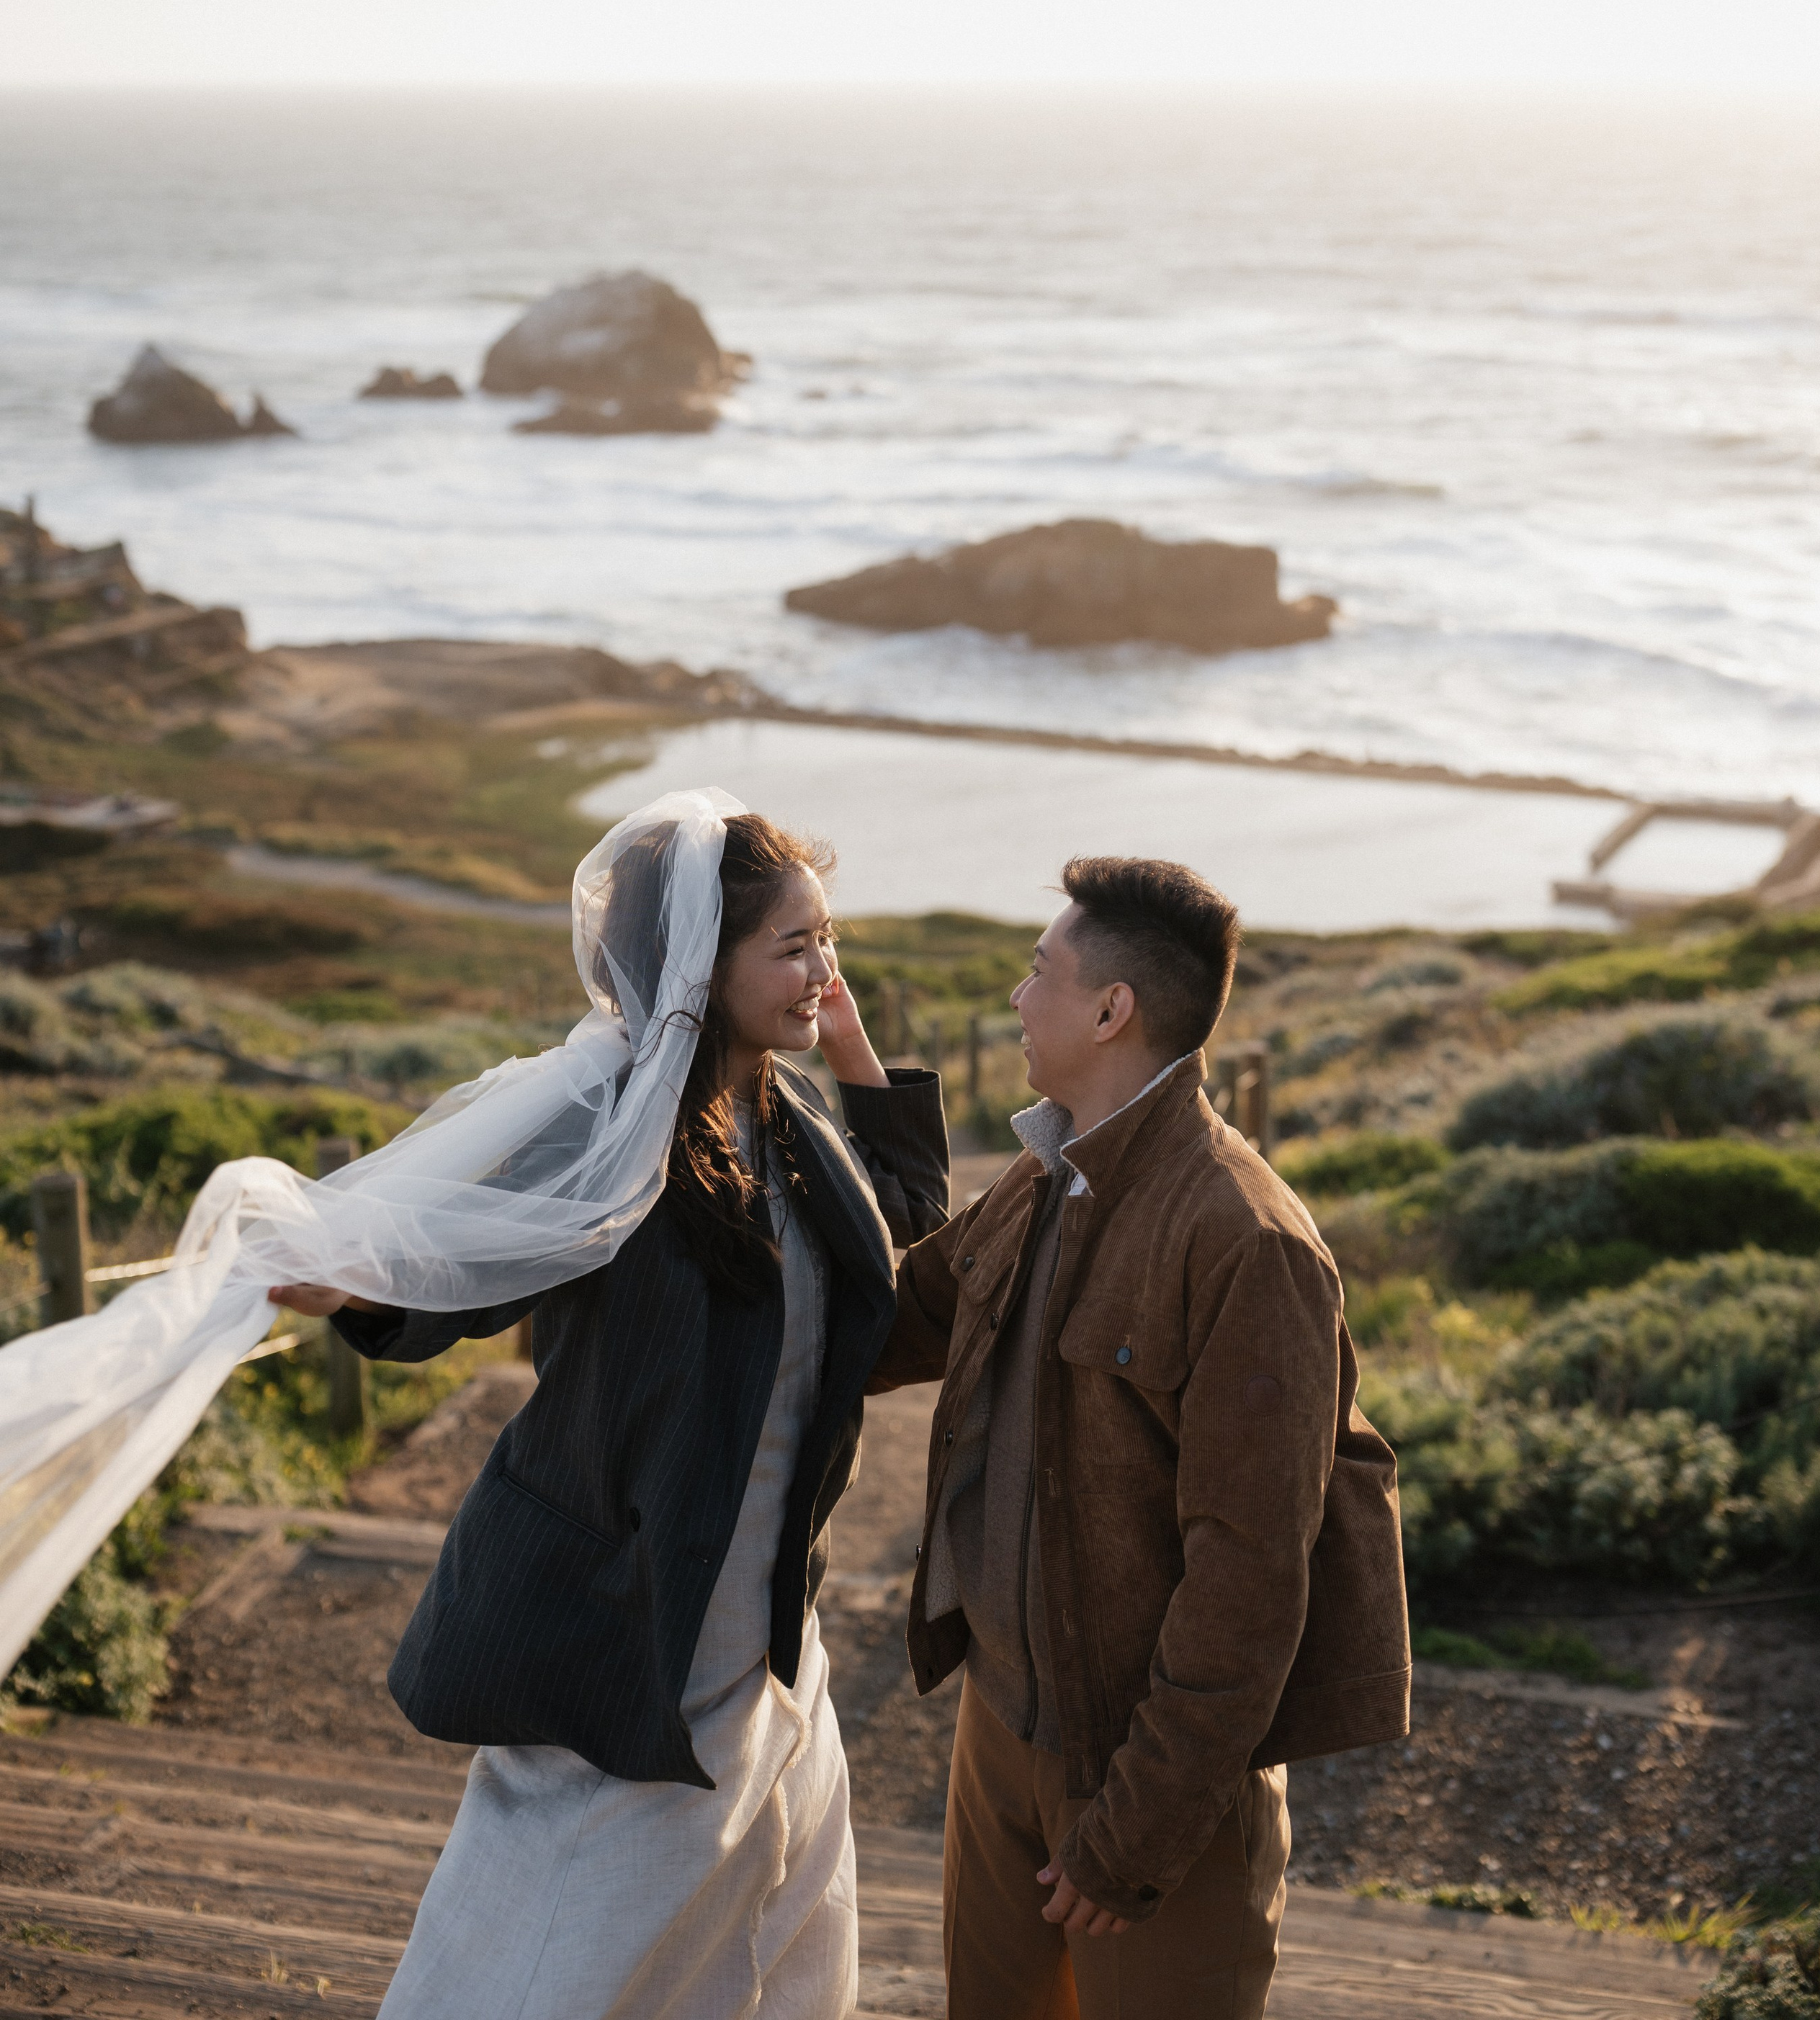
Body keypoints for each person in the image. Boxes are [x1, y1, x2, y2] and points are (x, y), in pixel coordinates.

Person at [272, 808, 949, 2020]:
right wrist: (362, 1287)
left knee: (763, 1946)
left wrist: (850, 1049)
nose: (824, 970)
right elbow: (466, 1265)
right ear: (703, 962)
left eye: (828, 939)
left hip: (765, 1635)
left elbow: (899, 1234)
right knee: (561, 1950)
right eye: (794, 949)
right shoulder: (610, 1123)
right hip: (621, 1618)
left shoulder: (793, 1125)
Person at [871, 853, 1409, 2020]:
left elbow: (1253, 1575)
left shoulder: (1245, 1239)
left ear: (1112, 1010)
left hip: (1144, 1776)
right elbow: (891, 1320)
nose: (1018, 999)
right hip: (999, 1729)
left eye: (1039, 973)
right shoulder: (1045, 1172)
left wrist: (1141, 1829)